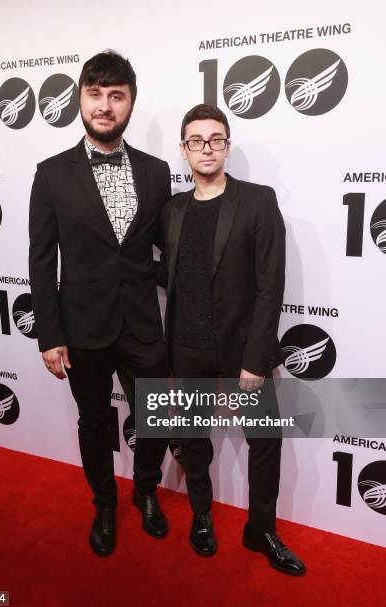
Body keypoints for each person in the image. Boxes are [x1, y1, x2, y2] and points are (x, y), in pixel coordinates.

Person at [29, 50, 171, 557]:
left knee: (155, 416)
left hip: (141, 324)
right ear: (80, 100)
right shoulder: (51, 174)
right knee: (93, 422)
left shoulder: (157, 173)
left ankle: (147, 492)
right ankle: (105, 502)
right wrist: (50, 335)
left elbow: (161, 253)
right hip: (82, 326)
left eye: (116, 95)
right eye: (95, 94)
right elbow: (42, 261)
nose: (105, 106)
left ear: (131, 103)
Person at [158, 103, 305, 575]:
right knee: (194, 438)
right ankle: (201, 515)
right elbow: (172, 274)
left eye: (216, 139)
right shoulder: (172, 210)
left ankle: (260, 528)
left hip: (245, 351)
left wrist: (256, 358)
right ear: (184, 150)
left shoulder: (258, 201)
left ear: (227, 145)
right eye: (196, 140)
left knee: (265, 440)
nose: (207, 148)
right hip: (186, 345)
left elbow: (270, 285)